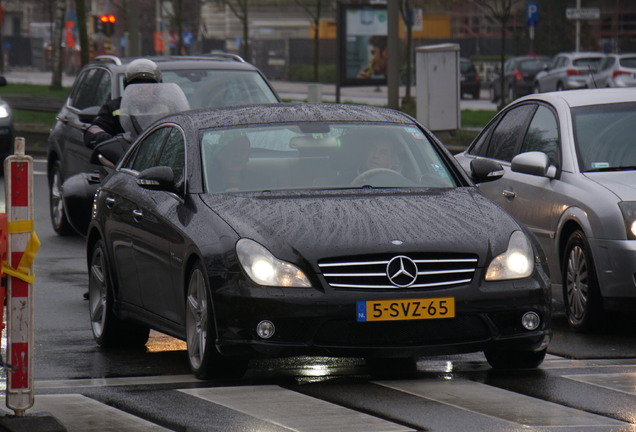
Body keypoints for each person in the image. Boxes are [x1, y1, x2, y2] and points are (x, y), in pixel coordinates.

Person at [83, 58, 163, 148]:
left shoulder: (169, 107)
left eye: (148, 85)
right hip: (126, 156)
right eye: (136, 85)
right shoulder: (115, 107)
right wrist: (102, 136)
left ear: (157, 88)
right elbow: (95, 129)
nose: (142, 89)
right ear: (127, 88)